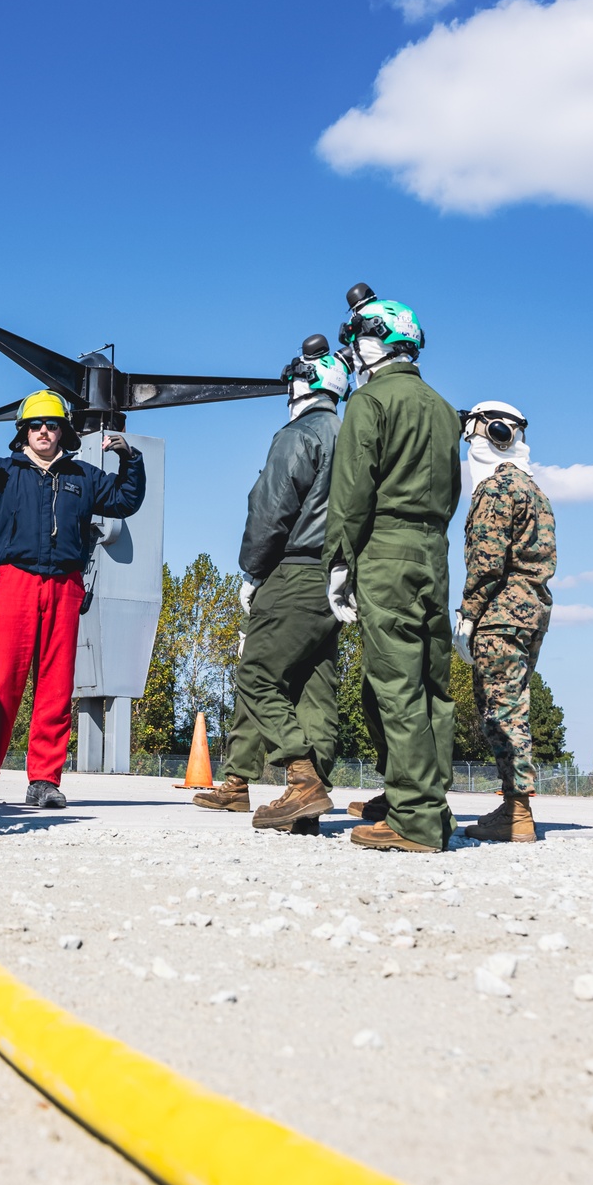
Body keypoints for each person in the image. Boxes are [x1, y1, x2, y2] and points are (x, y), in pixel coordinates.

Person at [0, 390, 146, 809]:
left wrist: (132, 459)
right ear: (23, 432)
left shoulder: (84, 477)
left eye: (52, 425)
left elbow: (126, 500)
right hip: (13, 584)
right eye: (35, 425)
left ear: (63, 431)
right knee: (2, 683)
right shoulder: (3, 473)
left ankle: (44, 781)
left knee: (55, 688)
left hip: (65, 588)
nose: (43, 431)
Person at [324, 284, 461, 853]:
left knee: (395, 684)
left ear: (380, 341)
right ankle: (433, 804)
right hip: (435, 551)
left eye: (357, 339)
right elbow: (451, 490)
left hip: (385, 550)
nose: (353, 351)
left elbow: (352, 491)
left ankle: (413, 820)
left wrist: (339, 562)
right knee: (434, 685)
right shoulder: (444, 407)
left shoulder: (370, 401)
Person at [194, 337, 349, 833]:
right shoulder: (351, 435)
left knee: (256, 675)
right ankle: (306, 801)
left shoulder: (298, 435)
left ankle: (301, 779)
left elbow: (271, 509)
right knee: (315, 687)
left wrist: (253, 569)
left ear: (301, 383)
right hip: (340, 577)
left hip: (297, 570)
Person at [454, 402, 556, 843]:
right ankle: (515, 805)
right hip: (532, 610)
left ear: (494, 433)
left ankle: (517, 812)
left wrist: (467, 613)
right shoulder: (535, 489)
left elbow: (486, 562)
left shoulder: (497, 489)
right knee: (515, 703)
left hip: (501, 611)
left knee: (502, 709)